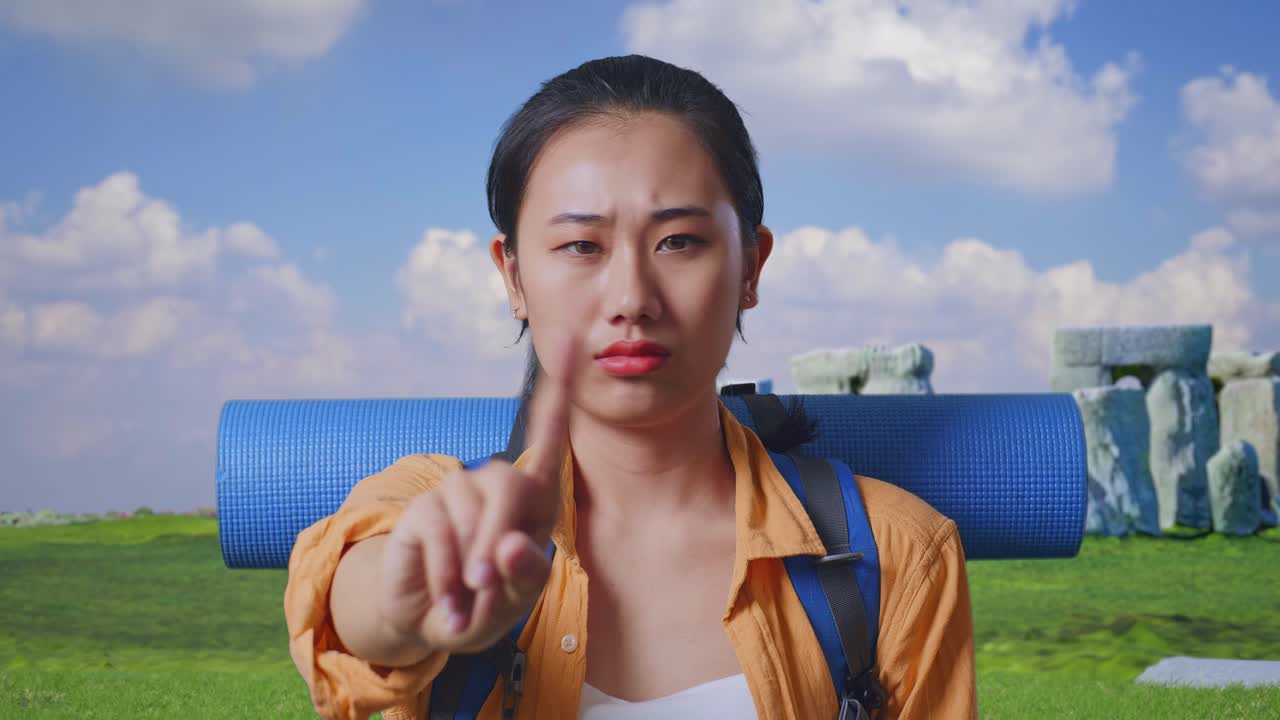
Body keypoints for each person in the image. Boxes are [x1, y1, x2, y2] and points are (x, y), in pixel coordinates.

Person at [284, 54, 977, 720]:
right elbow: (357, 592)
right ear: (515, 277)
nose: (631, 298)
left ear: (751, 268)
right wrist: (408, 604)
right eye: (582, 247)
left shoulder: (900, 553)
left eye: (677, 241)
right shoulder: (433, 507)